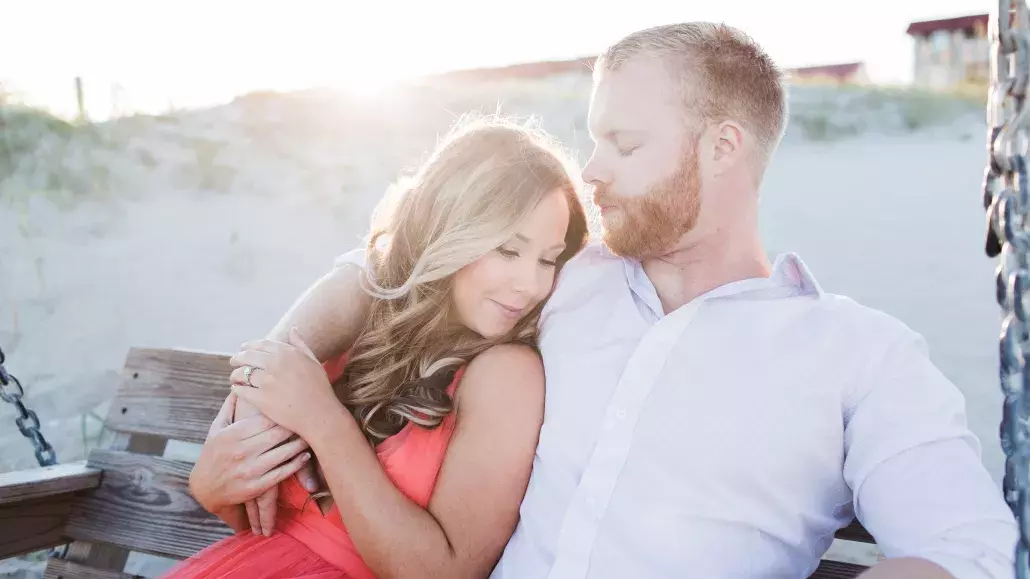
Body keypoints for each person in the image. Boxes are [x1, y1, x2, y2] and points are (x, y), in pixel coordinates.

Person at [193, 21, 1019, 579]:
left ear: (722, 146)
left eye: (623, 142)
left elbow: (967, 551)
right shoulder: (565, 281)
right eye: (594, 139)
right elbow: (379, 269)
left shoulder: (858, 354)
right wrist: (256, 404)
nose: (590, 169)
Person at [166, 115, 590, 578]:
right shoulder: (365, 321)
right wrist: (210, 488)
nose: (530, 286)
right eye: (509, 251)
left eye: (549, 260)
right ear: (447, 229)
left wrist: (326, 423)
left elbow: (444, 573)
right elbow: (262, 517)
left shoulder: (508, 374)